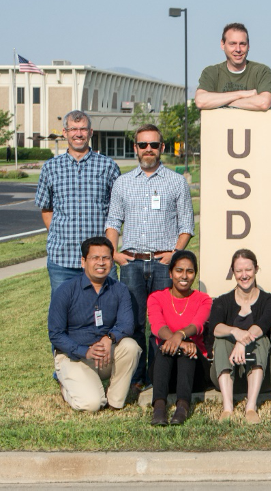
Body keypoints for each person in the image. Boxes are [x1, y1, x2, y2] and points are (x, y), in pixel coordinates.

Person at [105, 123, 194, 389]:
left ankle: (158, 377)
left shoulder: (176, 181)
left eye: (153, 145)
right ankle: (134, 378)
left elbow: (186, 225)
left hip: (162, 265)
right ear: (135, 148)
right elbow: (113, 222)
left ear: (161, 148)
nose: (148, 149)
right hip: (132, 263)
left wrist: (175, 256)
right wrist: (115, 255)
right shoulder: (122, 183)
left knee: (161, 323)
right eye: (143, 145)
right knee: (133, 321)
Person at [48, 236, 140, 412]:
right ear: (83, 261)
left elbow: (127, 325)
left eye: (106, 258)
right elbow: (56, 334)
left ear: (112, 262)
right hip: (74, 356)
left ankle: (114, 402)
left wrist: (109, 338)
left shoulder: (119, 290)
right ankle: (66, 387)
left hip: (104, 355)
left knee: (130, 346)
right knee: (91, 405)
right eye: (95, 258)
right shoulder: (65, 291)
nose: (101, 262)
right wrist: (85, 351)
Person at [35, 110, 120, 297]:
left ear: (91, 132)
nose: (78, 134)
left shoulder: (108, 166)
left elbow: (117, 211)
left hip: (100, 258)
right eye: (73, 129)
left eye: (83, 129)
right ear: (65, 132)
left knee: (107, 309)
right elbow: (46, 208)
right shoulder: (51, 168)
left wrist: (110, 249)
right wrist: (59, 234)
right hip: (62, 258)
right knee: (64, 313)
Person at [208, 249, 271, 423]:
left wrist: (242, 342)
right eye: (239, 271)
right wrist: (235, 332)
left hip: (263, 376)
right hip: (228, 375)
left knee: (260, 339)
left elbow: (262, 326)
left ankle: (251, 407)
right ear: (233, 272)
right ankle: (227, 408)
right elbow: (215, 328)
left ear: (256, 269)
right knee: (221, 339)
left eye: (248, 269)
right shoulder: (222, 301)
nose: (244, 275)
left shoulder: (269, 300)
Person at [146, 250, 212, 426]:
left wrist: (180, 336)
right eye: (179, 270)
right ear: (170, 273)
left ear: (195, 275)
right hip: (164, 372)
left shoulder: (203, 299)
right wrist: (177, 341)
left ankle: (182, 406)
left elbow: (197, 324)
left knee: (188, 348)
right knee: (166, 347)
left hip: (195, 372)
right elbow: (157, 327)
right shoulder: (156, 298)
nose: (184, 276)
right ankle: (159, 407)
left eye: (189, 271)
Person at [194, 23, 271, 111]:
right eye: (232, 44)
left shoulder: (262, 71)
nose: (238, 49)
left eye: (242, 44)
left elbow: (263, 103)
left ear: (248, 46)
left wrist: (220, 103)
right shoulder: (211, 72)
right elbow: (201, 101)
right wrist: (242, 94)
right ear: (222, 44)